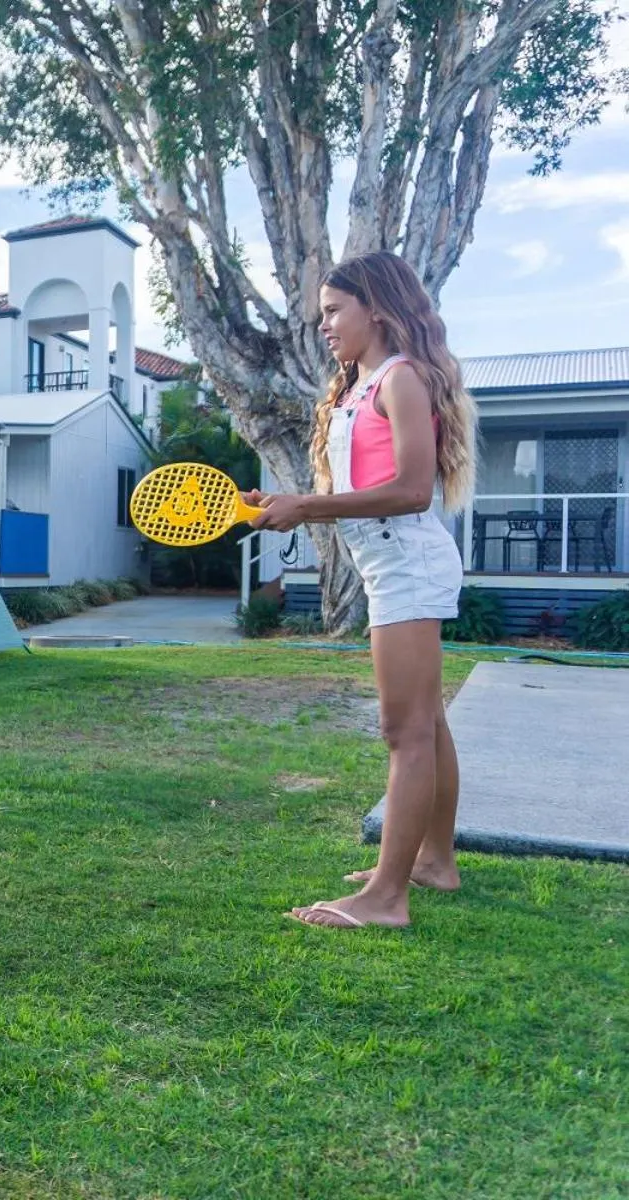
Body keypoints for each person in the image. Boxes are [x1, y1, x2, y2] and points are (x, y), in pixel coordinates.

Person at [245, 252, 477, 929]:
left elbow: (410, 491)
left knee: (403, 731)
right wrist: (282, 503)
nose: (325, 326)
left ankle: (386, 897)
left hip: (407, 563)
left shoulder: (399, 380)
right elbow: (357, 490)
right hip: (391, 565)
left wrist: (308, 508)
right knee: (426, 722)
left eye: (334, 311)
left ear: (375, 308)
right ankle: (434, 861)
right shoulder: (357, 386)